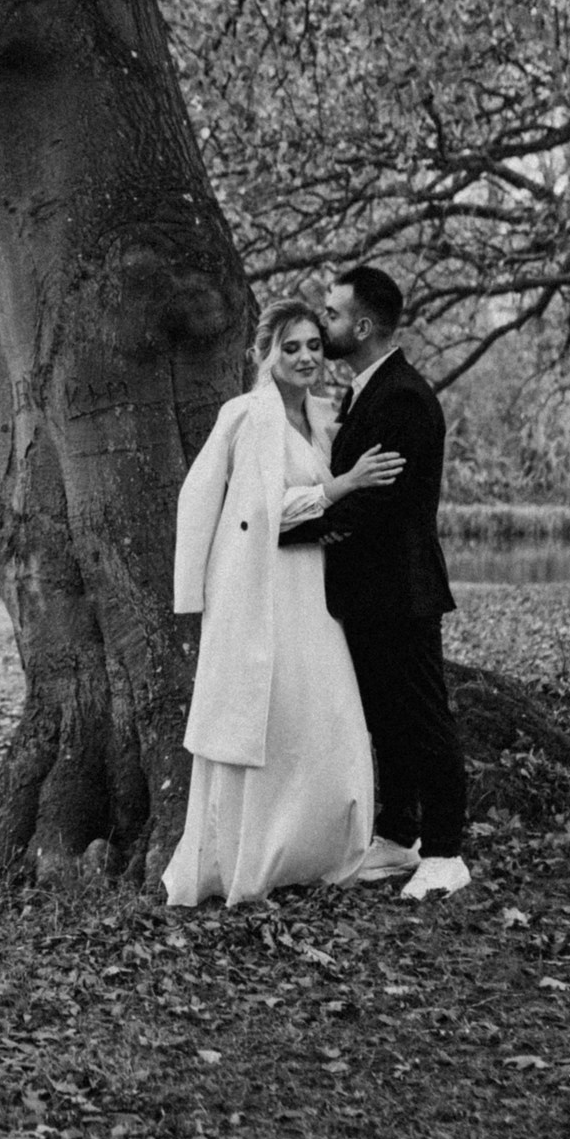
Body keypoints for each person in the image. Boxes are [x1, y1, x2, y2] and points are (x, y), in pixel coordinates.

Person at [163, 296, 405, 905]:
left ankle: (319, 847)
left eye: (314, 346)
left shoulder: (326, 417)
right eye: (290, 347)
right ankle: (256, 856)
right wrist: (342, 486)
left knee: (326, 714)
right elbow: (260, 510)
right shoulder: (247, 416)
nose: (304, 358)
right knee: (270, 714)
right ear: (264, 355)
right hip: (266, 585)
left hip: (316, 585)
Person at [292, 265, 470, 899]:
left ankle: (446, 852)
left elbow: (380, 503)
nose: (323, 323)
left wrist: (292, 530)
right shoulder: (365, 391)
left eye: (333, 314)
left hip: (402, 587)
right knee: (386, 718)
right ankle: (398, 836)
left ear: (364, 326)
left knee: (423, 717)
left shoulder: (402, 397)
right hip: (370, 589)